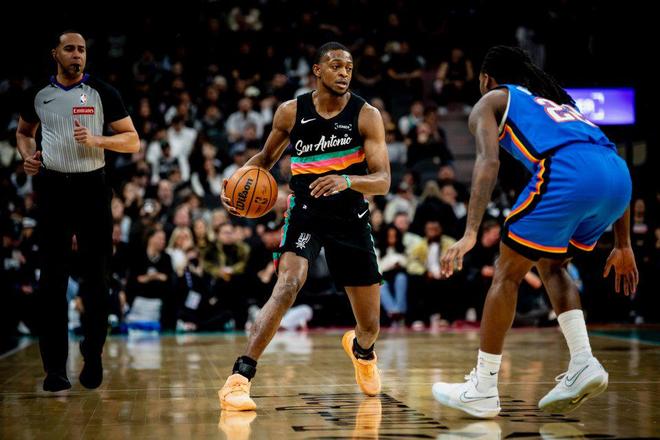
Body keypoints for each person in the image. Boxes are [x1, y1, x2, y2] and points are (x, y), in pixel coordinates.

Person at [432, 46, 637, 418]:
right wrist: (623, 244)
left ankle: (483, 388)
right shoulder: (559, 106)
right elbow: (609, 157)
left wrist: (471, 232)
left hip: (570, 171)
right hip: (617, 176)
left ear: (485, 78)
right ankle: (583, 362)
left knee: (506, 273)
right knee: (551, 265)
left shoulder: (492, 99)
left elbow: (488, 162)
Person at [218, 42, 391, 411]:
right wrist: (234, 181)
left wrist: (347, 180)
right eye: (336, 65)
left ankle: (362, 352)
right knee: (287, 284)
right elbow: (264, 159)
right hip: (306, 211)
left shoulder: (367, 115)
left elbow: (383, 180)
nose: (344, 73)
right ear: (317, 70)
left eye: (349, 67)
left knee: (370, 326)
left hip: (350, 216)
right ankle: (239, 379)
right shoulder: (291, 112)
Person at [15, 30, 139, 391]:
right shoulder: (39, 93)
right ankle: (54, 369)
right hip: (53, 188)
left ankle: (93, 352)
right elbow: (24, 132)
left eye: (81, 49)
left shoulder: (103, 92)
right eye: (69, 48)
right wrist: (28, 156)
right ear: (55, 53)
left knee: (97, 280)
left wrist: (98, 139)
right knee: (51, 281)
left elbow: (132, 140)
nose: (77, 54)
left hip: (92, 189)